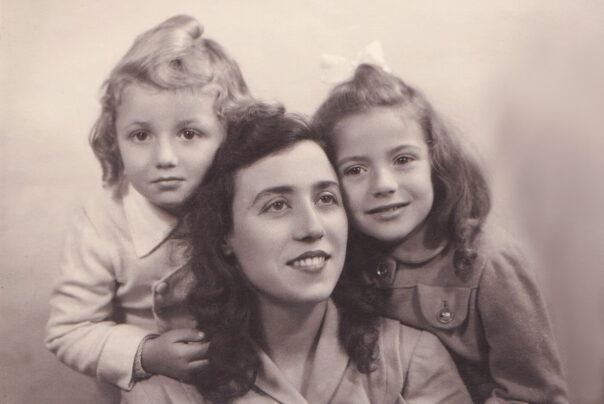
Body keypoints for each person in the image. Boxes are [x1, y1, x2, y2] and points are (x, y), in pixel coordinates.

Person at [127, 103, 472, 403]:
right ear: (224, 236)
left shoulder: (410, 362)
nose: (313, 227)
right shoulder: (167, 389)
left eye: (326, 199)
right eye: (277, 205)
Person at [312, 63, 569, 403]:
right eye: (356, 169)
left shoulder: (490, 262)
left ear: (435, 162)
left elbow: (536, 395)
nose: (384, 185)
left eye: (403, 160)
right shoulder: (340, 261)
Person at [45, 14, 251, 400]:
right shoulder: (102, 221)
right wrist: (146, 353)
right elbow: (69, 330)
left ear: (228, 134)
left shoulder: (244, 200)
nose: (164, 158)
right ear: (114, 139)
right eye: (140, 135)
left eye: (189, 133)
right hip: (151, 384)